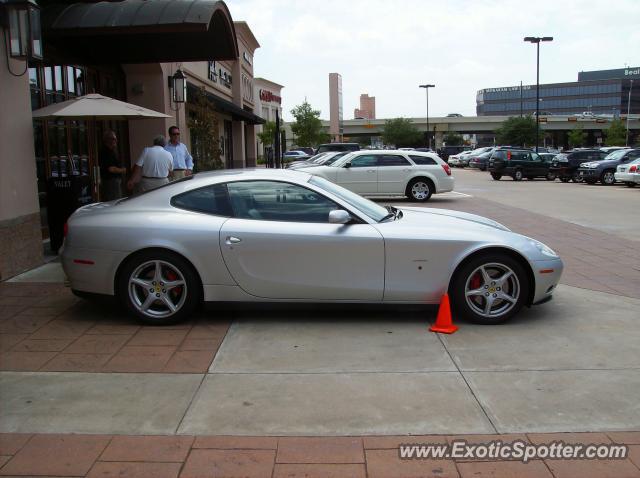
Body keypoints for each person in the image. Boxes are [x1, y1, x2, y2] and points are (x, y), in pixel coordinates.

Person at [99, 130, 126, 200]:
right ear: (109, 140)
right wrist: (123, 170)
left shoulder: (110, 151)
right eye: (114, 139)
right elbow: (111, 168)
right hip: (111, 182)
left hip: (111, 182)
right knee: (115, 202)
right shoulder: (106, 152)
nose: (116, 141)